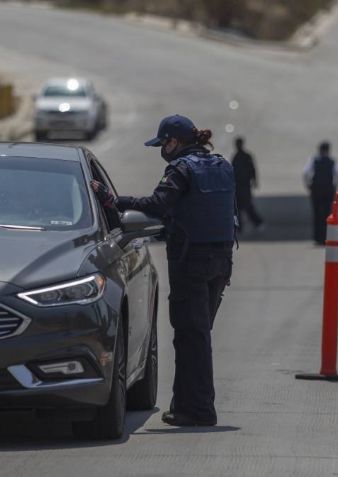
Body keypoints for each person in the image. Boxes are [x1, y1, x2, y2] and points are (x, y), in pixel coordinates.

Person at [92, 114, 235, 427]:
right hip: (221, 262)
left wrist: (115, 201)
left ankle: (197, 410)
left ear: (175, 141)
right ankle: (189, 405)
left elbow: (159, 203)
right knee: (198, 336)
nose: (162, 150)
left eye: (163, 144)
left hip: (191, 263)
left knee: (190, 336)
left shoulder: (181, 169)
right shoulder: (222, 166)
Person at [302, 141, 338, 245]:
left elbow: (305, 173)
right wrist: (335, 185)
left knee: (316, 214)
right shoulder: (332, 161)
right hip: (328, 190)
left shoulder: (313, 160)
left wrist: (308, 185)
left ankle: (317, 238)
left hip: (316, 190)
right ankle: (325, 237)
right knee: (327, 214)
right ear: (328, 150)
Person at [231, 136, 264, 233]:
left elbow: (253, 169)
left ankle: (258, 222)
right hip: (238, 186)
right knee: (237, 207)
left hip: (245, 186)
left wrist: (255, 181)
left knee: (247, 206)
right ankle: (239, 226)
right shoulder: (235, 157)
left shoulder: (246, 156)